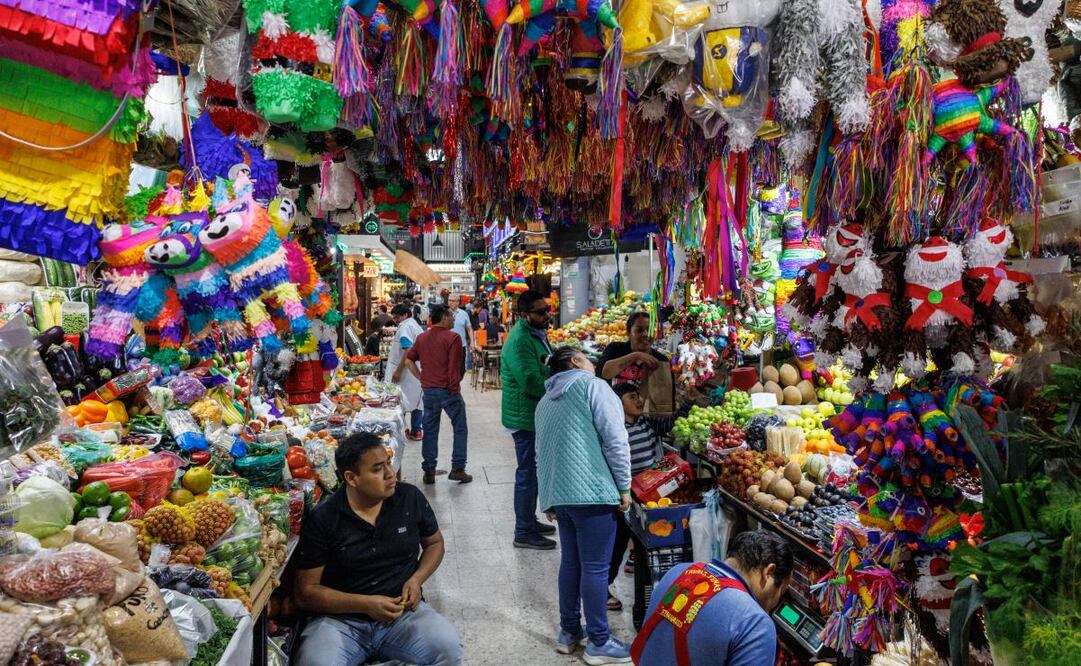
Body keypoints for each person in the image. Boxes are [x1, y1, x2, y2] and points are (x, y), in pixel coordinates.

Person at [292, 433, 464, 666]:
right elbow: (306, 592)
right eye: (377, 469)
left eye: (388, 463)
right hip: (340, 621)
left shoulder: (408, 498)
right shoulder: (325, 518)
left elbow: (434, 543)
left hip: (402, 616)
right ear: (352, 478)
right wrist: (366, 604)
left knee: (448, 648)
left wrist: (416, 579)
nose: (390, 474)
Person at [535, 347, 633, 665]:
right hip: (592, 492)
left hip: (561, 493)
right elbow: (615, 439)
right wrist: (624, 486)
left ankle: (569, 632)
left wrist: (547, 496)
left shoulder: (545, 401)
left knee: (572, 564)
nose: (592, 363)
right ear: (576, 362)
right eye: (587, 358)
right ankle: (599, 642)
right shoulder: (594, 387)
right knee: (595, 568)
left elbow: (542, 452)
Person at [630, 531, 793, 666]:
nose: (777, 600)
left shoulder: (678, 571)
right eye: (782, 590)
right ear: (769, 572)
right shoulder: (755, 622)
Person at [605, 383, 678, 611]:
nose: (638, 401)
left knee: (642, 542)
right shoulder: (616, 429)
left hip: (648, 495)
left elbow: (668, 423)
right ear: (618, 403)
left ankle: (645, 595)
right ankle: (603, 586)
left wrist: (686, 403)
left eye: (638, 396)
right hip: (625, 497)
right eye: (632, 397)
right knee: (616, 545)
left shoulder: (646, 423)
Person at [501, 290, 557, 551]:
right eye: (540, 311)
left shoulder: (535, 333)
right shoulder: (521, 340)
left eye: (546, 309)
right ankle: (523, 530)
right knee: (527, 474)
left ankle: (529, 521)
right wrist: (561, 385)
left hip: (533, 414)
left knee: (532, 473)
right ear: (525, 315)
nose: (546, 315)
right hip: (525, 417)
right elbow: (531, 381)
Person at [397, 304, 472, 484]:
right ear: (444, 317)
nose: (454, 320)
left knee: (430, 430)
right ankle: (458, 468)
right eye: (451, 317)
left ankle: (429, 470)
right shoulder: (453, 338)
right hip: (448, 390)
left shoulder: (422, 338)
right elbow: (454, 367)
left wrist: (422, 378)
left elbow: (408, 361)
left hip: (429, 391)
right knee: (460, 427)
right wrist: (454, 388)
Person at [596, 312, 675, 415]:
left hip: (645, 424)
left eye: (650, 330)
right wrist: (636, 356)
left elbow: (666, 400)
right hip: (612, 414)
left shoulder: (661, 361)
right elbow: (603, 374)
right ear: (629, 332)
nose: (646, 334)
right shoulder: (615, 349)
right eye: (639, 330)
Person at [386, 304, 424, 441]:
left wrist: (398, 371)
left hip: (406, 372)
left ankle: (401, 431)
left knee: (397, 400)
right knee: (416, 400)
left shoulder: (405, 327)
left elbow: (407, 350)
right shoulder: (414, 325)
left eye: (397, 317)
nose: (395, 320)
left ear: (405, 315)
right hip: (415, 369)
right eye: (394, 317)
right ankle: (416, 430)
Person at [447, 294, 478, 376]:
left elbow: (469, 329)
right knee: (448, 369)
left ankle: (456, 384)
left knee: (461, 370)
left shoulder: (464, 314)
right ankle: (451, 386)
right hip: (447, 346)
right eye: (449, 300)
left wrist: (472, 342)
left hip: (461, 346)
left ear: (457, 302)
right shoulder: (444, 314)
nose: (451, 303)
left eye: (453, 301)